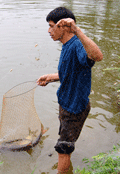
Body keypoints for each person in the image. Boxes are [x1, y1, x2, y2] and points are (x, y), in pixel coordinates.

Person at [37, 7, 103, 174]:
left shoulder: (78, 45)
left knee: (63, 149)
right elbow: (71, 72)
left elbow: (97, 56)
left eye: (52, 26)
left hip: (74, 108)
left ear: (64, 27)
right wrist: (51, 77)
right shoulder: (66, 45)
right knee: (65, 142)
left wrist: (77, 30)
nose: (49, 30)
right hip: (66, 104)